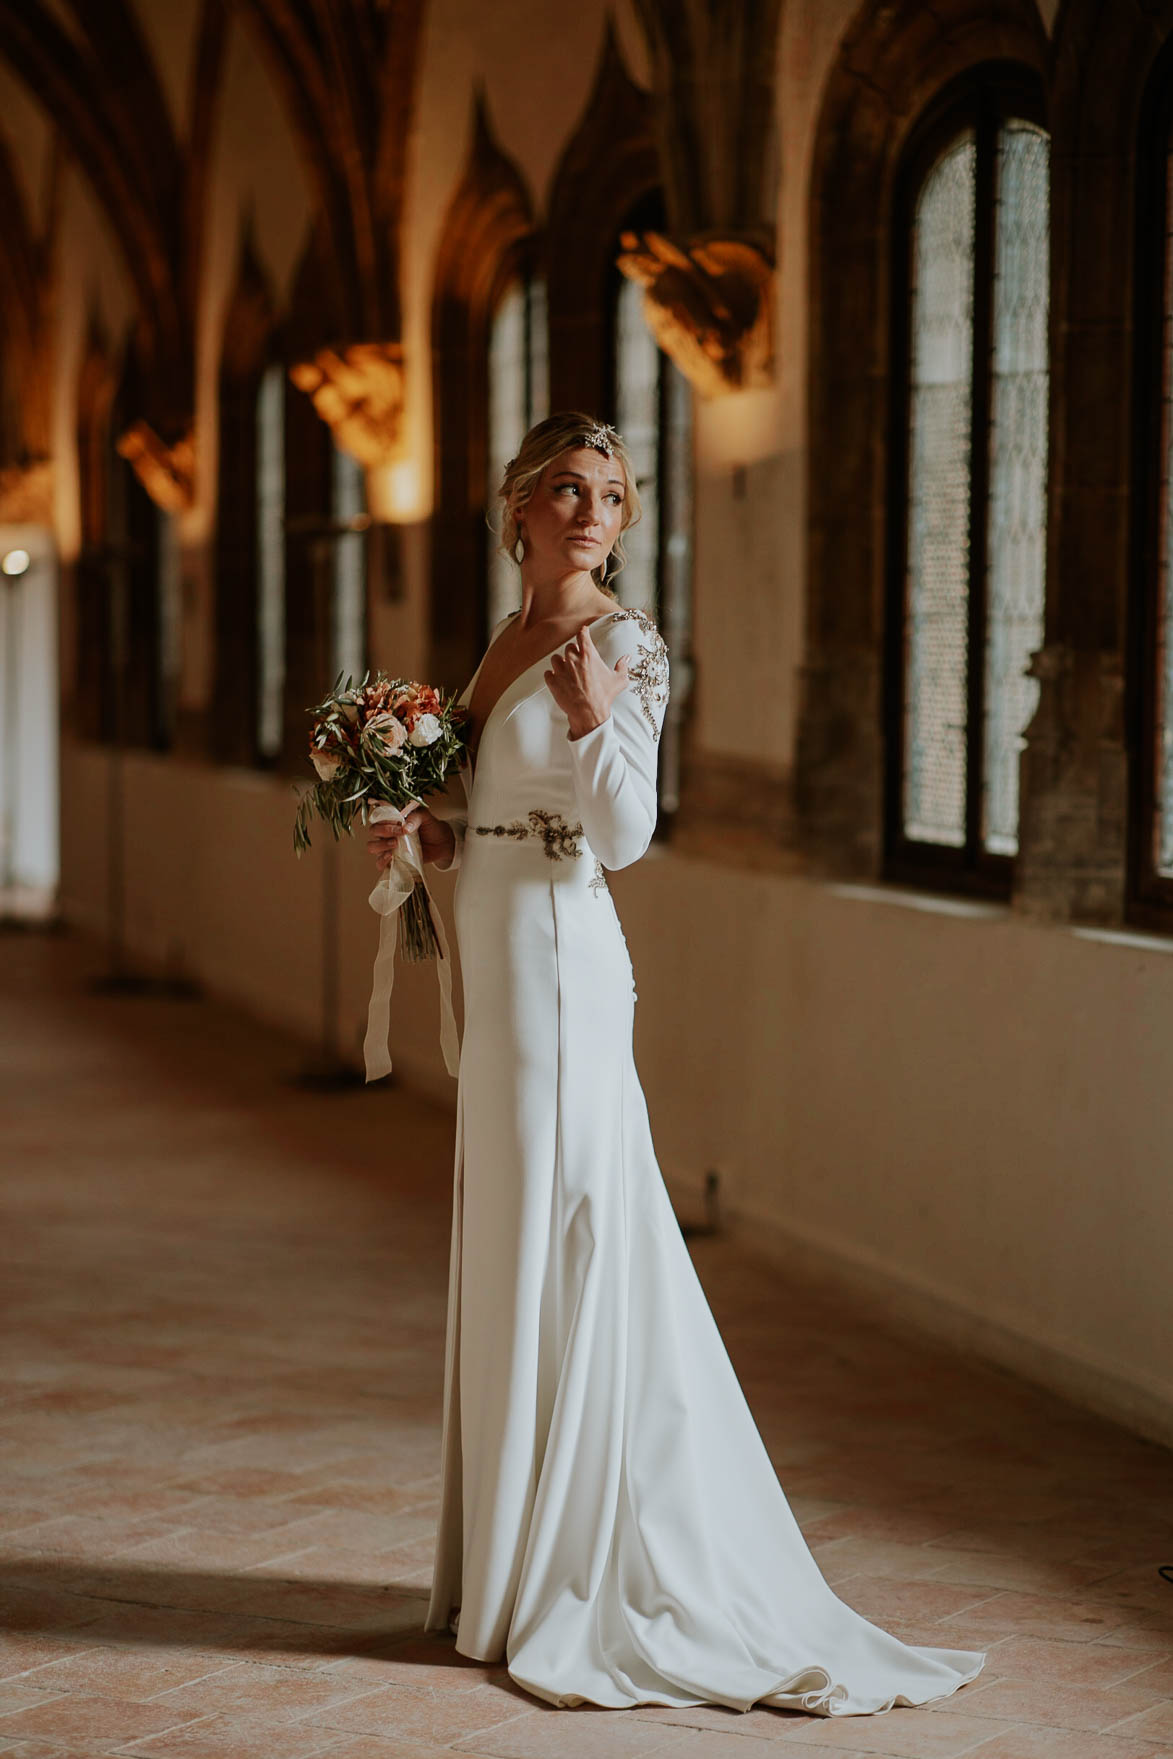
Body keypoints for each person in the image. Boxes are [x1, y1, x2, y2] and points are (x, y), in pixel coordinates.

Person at [366, 411, 986, 1716]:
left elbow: (628, 835)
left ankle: (568, 1569)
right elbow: (485, 815)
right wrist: (420, 830)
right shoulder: (500, 640)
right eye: (564, 488)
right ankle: (503, 1569)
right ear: (517, 508)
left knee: (565, 1224)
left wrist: (597, 724)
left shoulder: (622, 644)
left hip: (560, 961)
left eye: (610, 493)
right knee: (512, 1228)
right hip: (494, 950)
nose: (590, 510)